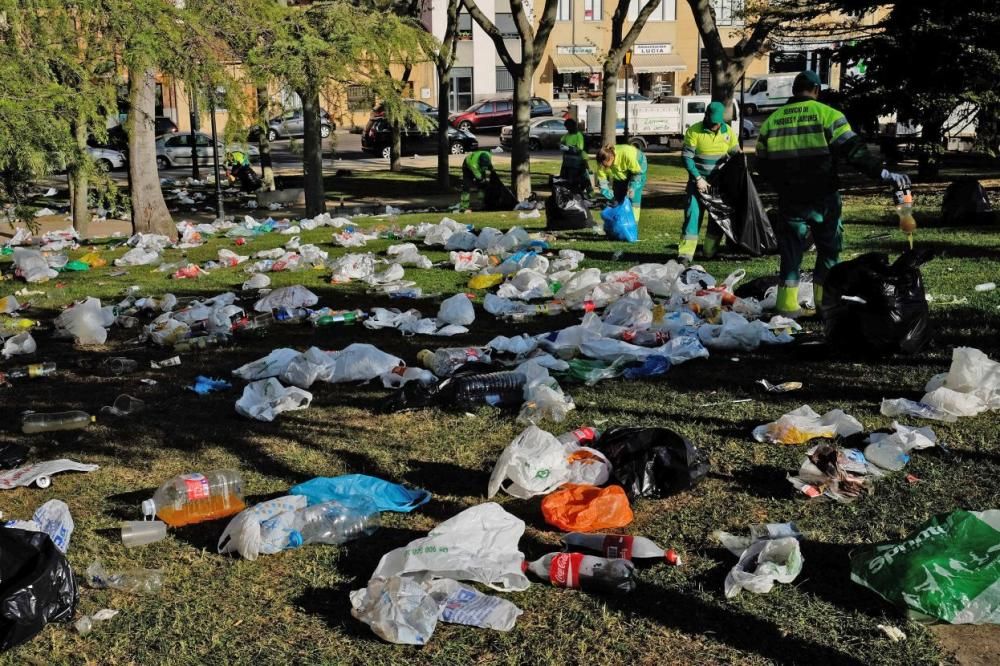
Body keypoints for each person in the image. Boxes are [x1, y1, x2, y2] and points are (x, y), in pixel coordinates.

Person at [757, 70, 910, 317]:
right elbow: (854, 151)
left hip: (790, 200)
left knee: (791, 253)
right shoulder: (828, 116)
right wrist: (881, 173)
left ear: (794, 90)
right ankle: (825, 304)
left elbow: (762, 166)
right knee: (828, 251)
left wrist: (783, 184)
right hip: (823, 198)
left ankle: (786, 307)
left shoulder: (771, 122)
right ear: (816, 90)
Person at [678, 101, 741, 262]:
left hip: (718, 183)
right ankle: (685, 254)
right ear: (705, 116)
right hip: (698, 182)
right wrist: (698, 178)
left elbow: (736, 156)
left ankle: (709, 251)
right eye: (712, 123)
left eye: (717, 124)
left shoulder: (728, 132)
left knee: (717, 218)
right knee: (693, 216)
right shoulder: (694, 131)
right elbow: (687, 157)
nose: (714, 126)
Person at [595, 142, 647, 222]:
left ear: (611, 158)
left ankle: (633, 223)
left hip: (638, 164)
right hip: (621, 171)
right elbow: (602, 183)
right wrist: (610, 196)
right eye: (603, 165)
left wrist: (632, 187)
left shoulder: (626, 154)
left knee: (633, 196)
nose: (604, 167)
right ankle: (618, 222)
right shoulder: (602, 163)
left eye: (606, 165)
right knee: (618, 195)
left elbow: (637, 173)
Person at [559, 118, 592, 195]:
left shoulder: (578, 135)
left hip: (577, 162)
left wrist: (568, 148)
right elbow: (561, 141)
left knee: (582, 179)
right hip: (567, 162)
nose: (566, 129)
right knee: (567, 179)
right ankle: (572, 193)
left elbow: (580, 149)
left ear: (571, 126)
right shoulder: (567, 135)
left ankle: (588, 193)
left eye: (567, 127)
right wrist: (561, 145)